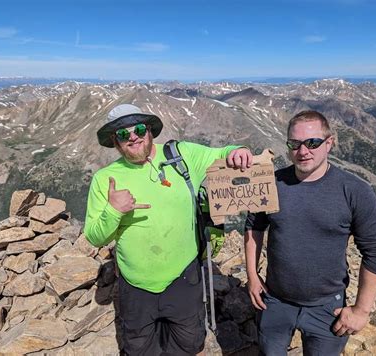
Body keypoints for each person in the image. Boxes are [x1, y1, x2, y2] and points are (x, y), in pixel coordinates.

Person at [84, 104, 253, 356]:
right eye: (123, 134)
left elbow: (223, 153)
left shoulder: (182, 155)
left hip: (183, 277)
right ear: (114, 141)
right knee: (139, 348)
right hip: (135, 283)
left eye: (138, 128)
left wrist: (238, 151)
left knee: (189, 343)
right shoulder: (105, 178)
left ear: (150, 130)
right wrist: (114, 211)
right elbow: (95, 237)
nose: (132, 136)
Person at [244, 110, 376, 356]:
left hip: (327, 306)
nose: (303, 151)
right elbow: (254, 227)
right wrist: (252, 277)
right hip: (275, 300)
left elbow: (375, 252)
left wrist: (361, 311)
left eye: (313, 143)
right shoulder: (270, 183)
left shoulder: (355, 191)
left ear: (329, 143)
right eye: (295, 144)